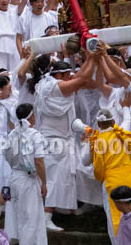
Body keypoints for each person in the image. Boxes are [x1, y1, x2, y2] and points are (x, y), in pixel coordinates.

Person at [35, 56, 97, 231]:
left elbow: (83, 80)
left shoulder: (44, 85)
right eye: (68, 75)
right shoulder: (54, 87)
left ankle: (60, 207)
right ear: (60, 75)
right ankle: (47, 216)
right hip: (54, 142)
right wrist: (93, 57)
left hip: (59, 139)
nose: (71, 78)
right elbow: (83, 79)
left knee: (62, 178)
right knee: (54, 179)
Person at [86, 103, 131, 245]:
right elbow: (128, 119)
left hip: (111, 182)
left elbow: (86, 162)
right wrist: (126, 106)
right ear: (113, 121)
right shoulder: (123, 131)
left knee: (114, 219)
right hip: (130, 179)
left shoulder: (97, 140)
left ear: (98, 123)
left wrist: (87, 141)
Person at [3, 103, 48, 245]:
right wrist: (44, 182)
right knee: (29, 214)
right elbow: (39, 162)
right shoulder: (35, 135)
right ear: (31, 116)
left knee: (14, 212)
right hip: (28, 179)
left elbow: (7, 156)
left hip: (14, 177)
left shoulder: (12, 134)